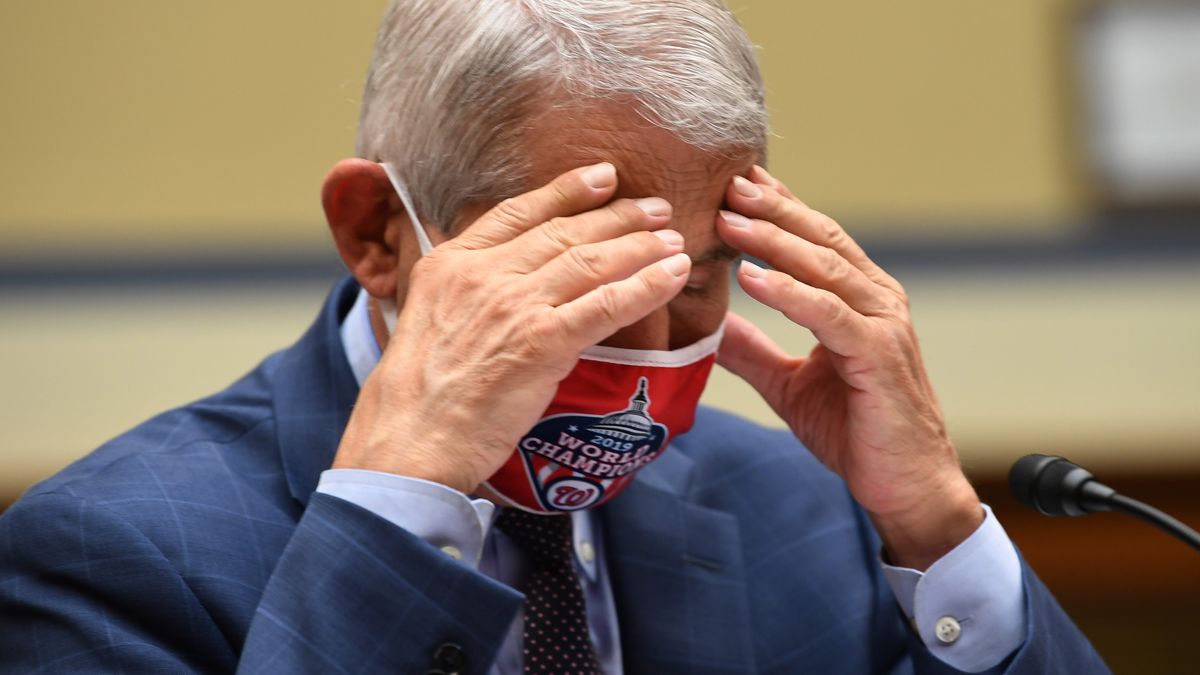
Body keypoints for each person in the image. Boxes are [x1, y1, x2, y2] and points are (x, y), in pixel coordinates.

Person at [0, 1, 1109, 673]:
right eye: (576, 265)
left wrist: (935, 524)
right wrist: (397, 514)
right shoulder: (107, 557)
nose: (640, 340)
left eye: (696, 277)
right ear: (379, 233)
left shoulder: (806, 519)